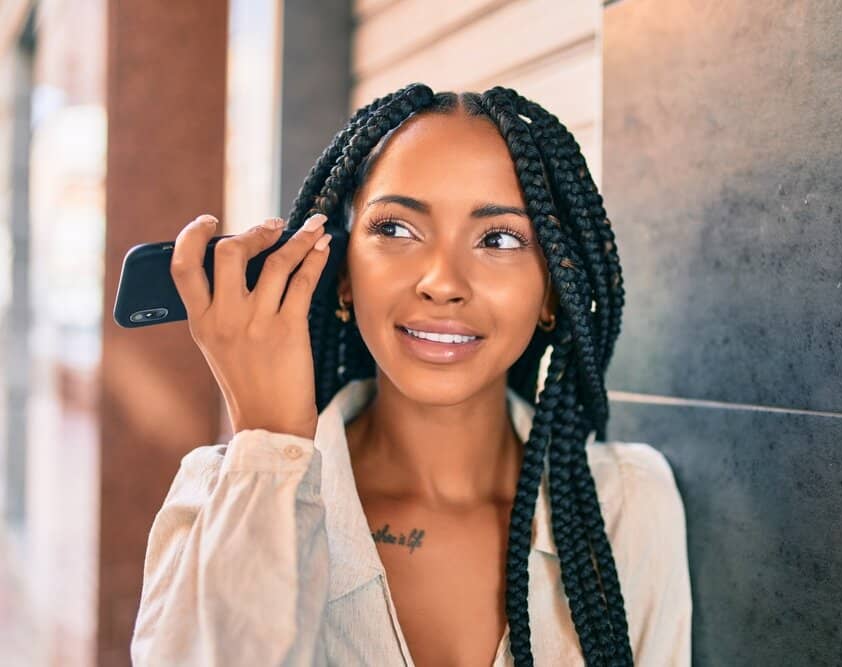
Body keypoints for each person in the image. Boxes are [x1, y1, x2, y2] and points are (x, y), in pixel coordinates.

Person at [130, 83, 691, 666]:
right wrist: (271, 447)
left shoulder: (628, 502)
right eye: (396, 229)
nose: (442, 281)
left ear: (553, 291)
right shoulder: (217, 497)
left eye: (498, 238)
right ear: (341, 276)